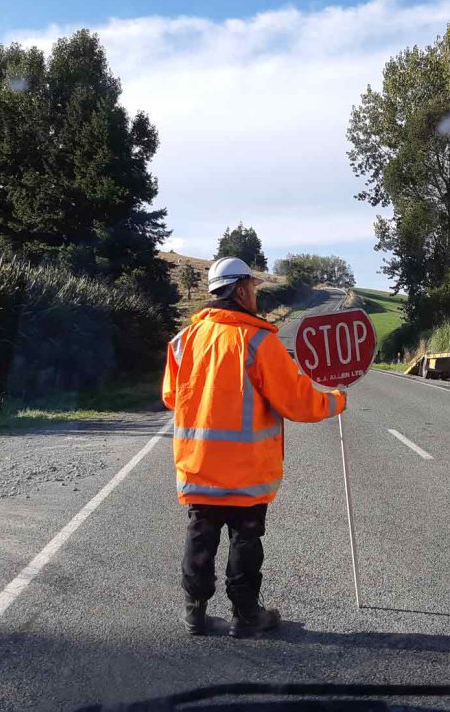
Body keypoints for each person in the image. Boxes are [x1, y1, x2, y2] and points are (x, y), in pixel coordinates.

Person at [162, 257, 346, 637]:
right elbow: (297, 403)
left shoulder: (182, 342)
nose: (256, 297)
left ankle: (194, 613)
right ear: (241, 289)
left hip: (198, 464)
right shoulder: (259, 341)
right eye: (254, 289)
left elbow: (170, 397)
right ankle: (245, 616)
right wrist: (336, 401)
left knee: (200, 533)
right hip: (246, 469)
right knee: (244, 538)